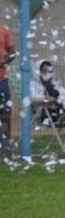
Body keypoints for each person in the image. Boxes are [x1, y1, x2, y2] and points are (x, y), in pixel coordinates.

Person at [0, 22, 16, 159]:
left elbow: (12, 53)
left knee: (5, 115)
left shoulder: (3, 30)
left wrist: (3, 62)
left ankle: (5, 150)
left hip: (1, 81)